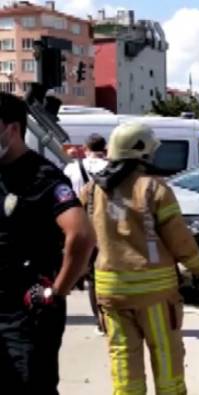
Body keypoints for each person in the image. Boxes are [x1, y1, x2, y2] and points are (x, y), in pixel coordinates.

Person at [81, 122, 199, 394]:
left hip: (110, 292)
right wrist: (198, 268)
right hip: (155, 294)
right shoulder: (154, 189)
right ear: (142, 152)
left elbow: (81, 236)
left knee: (123, 360)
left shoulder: (91, 190)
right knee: (165, 357)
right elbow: (180, 240)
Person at [0, 92, 96, 393]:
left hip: (27, 312)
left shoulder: (41, 176)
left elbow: (82, 235)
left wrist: (57, 291)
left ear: (12, 129)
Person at [63, 134, 108, 334]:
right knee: (105, 272)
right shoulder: (109, 168)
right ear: (104, 148)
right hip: (104, 226)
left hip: (78, 223)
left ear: (85, 148)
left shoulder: (72, 168)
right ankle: (108, 317)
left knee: (91, 275)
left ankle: (98, 319)